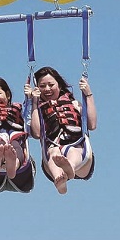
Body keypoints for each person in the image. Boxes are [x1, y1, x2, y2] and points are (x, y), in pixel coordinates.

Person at [26, 66, 96, 195]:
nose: (47, 89)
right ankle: (59, 180)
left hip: (80, 155)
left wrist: (88, 95)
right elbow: (36, 134)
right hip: (53, 156)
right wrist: (34, 103)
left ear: (59, 85)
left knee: (72, 150)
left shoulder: (73, 103)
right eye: (42, 86)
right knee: (54, 152)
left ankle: (69, 167)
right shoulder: (37, 109)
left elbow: (92, 125)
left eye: (51, 85)